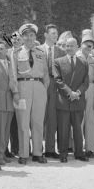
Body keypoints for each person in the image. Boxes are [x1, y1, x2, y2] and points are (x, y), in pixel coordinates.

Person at [13, 23, 50, 164]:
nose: (29, 38)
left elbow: (46, 73)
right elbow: (13, 74)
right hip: (23, 88)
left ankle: (37, 152)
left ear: (35, 36)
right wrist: (15, 91)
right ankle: (23, 153)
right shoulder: (15, 53)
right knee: (23, 122)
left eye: (32, 35)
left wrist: (43, 89)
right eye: (26, 35)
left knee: (38, 122)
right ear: (22, 37)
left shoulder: (40, 52)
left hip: (39, 88)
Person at [54, 36, 89, 162]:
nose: (69, 48)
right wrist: (70, 92)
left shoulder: (83, 62)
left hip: (78, 100)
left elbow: (86, 82)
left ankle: (79, 153)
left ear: (77, 47)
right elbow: (58, 80)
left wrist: (78, 92)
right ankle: (63, 153)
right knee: (63, 129)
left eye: (71, 45)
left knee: (78, 129)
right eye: (67, 46)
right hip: (64, 100)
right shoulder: (58, 61)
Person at [41, 24, 65, 158]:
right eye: (52, 33)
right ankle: (38, 149)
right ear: (45, 35)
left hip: (55, 86)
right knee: (39, 117)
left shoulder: (61, 51)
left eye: (56, 33)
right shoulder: (37, 50)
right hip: (40, 85)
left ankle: (50, 149)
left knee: (52, 118)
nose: (55, 35)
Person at [0, 41, 19, 165]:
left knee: (6, 131)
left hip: (9, 101)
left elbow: (13, 81)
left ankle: (2, 153)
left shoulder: (10, 64)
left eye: (1, 48)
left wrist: (16, 95)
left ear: (5, 50)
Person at [78, 31, 94, 158]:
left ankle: (90, 147)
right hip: (79, 88)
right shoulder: (75, 57)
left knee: (91, 118)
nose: (88, 47)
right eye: (86, 44)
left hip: (91, 87)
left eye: (91, 45)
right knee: (79, 118)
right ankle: (78, 147)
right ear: (81, 44)